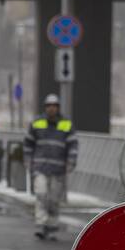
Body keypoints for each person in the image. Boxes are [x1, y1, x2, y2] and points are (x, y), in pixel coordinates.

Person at [24, 94, 78, 240]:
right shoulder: (37, 123)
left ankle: (52, 226)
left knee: (54, 200)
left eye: (54, 106)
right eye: (49, 106)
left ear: (58, 108)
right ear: (45, 107)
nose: (51, 108)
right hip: (40, 168)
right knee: (41, 195)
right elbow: (28, 143)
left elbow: (73, 144)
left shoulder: (66, 124)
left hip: (58, 169)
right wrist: (28, 160)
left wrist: (71, 161)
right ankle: (41, 225)